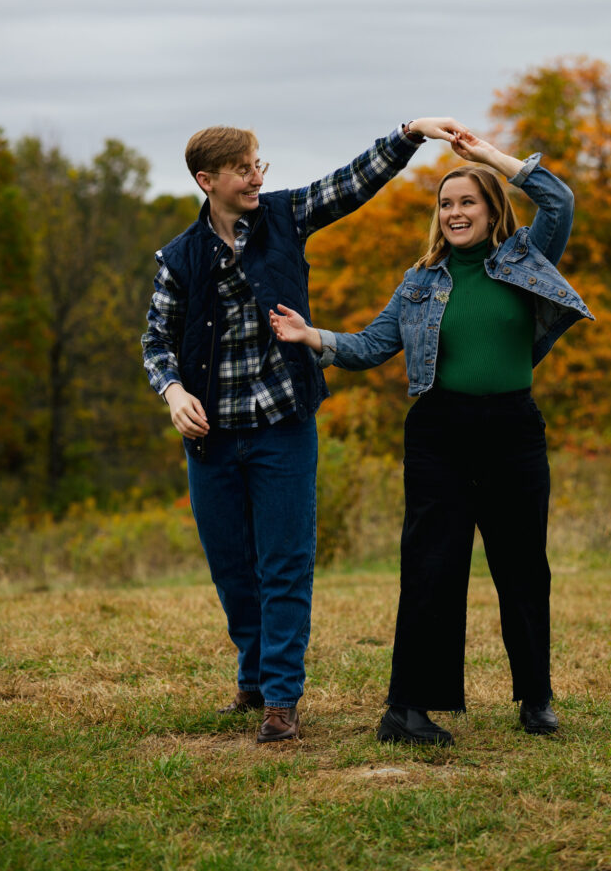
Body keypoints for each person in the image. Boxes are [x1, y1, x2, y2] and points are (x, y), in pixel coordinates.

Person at [141, 116, 470, 743]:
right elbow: (156, 340)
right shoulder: (179, 257)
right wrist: (173, 390)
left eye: (259, 164)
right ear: (208, 181)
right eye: (244, 169)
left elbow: (352, 183)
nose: (257, 177)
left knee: (285, 565)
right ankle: (255, 675)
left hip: (283, 426)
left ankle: (280, 701)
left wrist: (409, 134)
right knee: (233, 567)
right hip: (211, 437)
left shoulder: (286, 216)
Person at [269, 129, 594, 745]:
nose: (454, 213)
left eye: (467, 201)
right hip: (439, 434)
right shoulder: (419, 283)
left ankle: (536, 696)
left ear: (491, 209)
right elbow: (369, 346)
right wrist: (315, 337)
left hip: (513, 431)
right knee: (430, 568)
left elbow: (559, 202)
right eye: (445, 205)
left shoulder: (525, 256)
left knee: (522, 566)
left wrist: (488, 159)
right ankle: (407, 710)